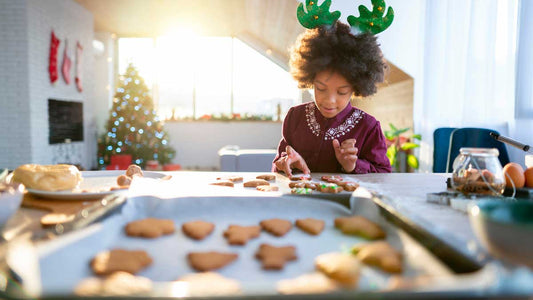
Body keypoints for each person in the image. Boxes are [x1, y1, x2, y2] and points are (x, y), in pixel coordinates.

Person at [273, 21, 392, 176]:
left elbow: (384, 175)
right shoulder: (295, 117)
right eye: (321, 88)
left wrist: (353, 166)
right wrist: (284, 162)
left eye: (342, 92)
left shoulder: (368, 127)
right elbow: (278, 166)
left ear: (356, 87)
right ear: (310, 80)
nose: (330, 100)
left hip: (346, 201)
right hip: (300, 199)